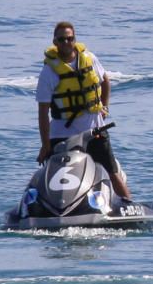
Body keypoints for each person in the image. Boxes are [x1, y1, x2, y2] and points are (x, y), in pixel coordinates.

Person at [35, 21, 132, 200]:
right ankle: (55, 210)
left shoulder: (90, 58)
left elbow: (105, 80)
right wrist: (45, 145)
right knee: (59, 179)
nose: (66, 43)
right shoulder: (49, 72)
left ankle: (129, 205)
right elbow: (42, 112)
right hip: (62, 136)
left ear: (74, 40)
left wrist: (104, 106)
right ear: (55, 42)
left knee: (112, 171)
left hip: (95, 131)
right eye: (62, 39)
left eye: (69, 39)